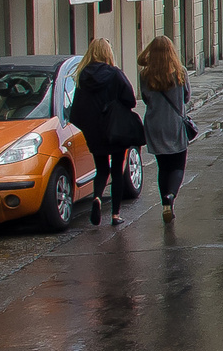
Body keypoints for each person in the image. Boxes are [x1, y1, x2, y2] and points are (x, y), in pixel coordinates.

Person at [68, 38, 140, 226]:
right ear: (108, 53)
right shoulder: (115, 74)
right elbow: (131, 100)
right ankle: (115, 215)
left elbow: (76, 109)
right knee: (117, 171)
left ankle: (97, 198)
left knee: (101, 170)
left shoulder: (82, 77)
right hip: (115, 129)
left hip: (94, 132)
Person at [138, 35, 194, 221]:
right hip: (175, 124)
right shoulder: (180, 72)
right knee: (178, 165)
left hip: (155, 125)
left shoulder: (145, 75)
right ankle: (171, 195)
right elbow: (186, 97)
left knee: (162, 166)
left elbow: (145, 99)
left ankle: (164, 203)